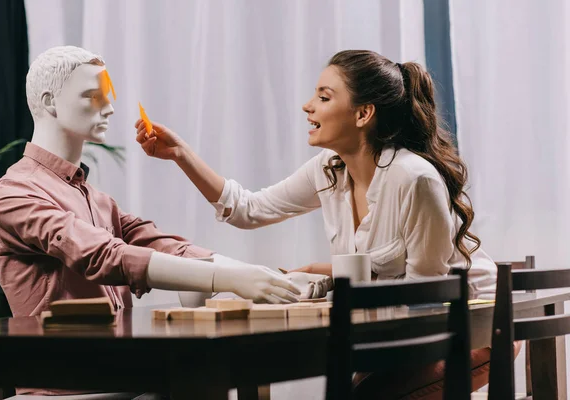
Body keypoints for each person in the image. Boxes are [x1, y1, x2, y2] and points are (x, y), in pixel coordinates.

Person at [135, 49, 519, 397]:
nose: (307, 106)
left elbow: (427, 295)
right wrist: (180, 154)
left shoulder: (414, 179)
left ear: (363, 113)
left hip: (476, 330)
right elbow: (248, 209)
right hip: (409, 332)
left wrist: (335, 283)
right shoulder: (329, 170)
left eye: (323, 96)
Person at [0, 45, 306, 398]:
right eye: (93, 96)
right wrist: (230, 277)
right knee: (204, 376)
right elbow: (104, 256)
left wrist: (269, 277)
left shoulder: (94, 198)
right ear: (49, 102)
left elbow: (162, 245)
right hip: (65, 386)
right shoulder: (14, 194)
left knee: (208, 373)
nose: (108, 107)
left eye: (108, 95)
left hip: (120, 370)